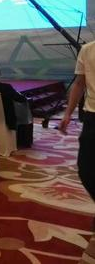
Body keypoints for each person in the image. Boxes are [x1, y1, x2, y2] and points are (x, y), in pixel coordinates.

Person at [60, 41, 95, 206]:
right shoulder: (87, 50)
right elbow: (79, 83)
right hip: (92, 116)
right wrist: (67, 114)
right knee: (86, 169)